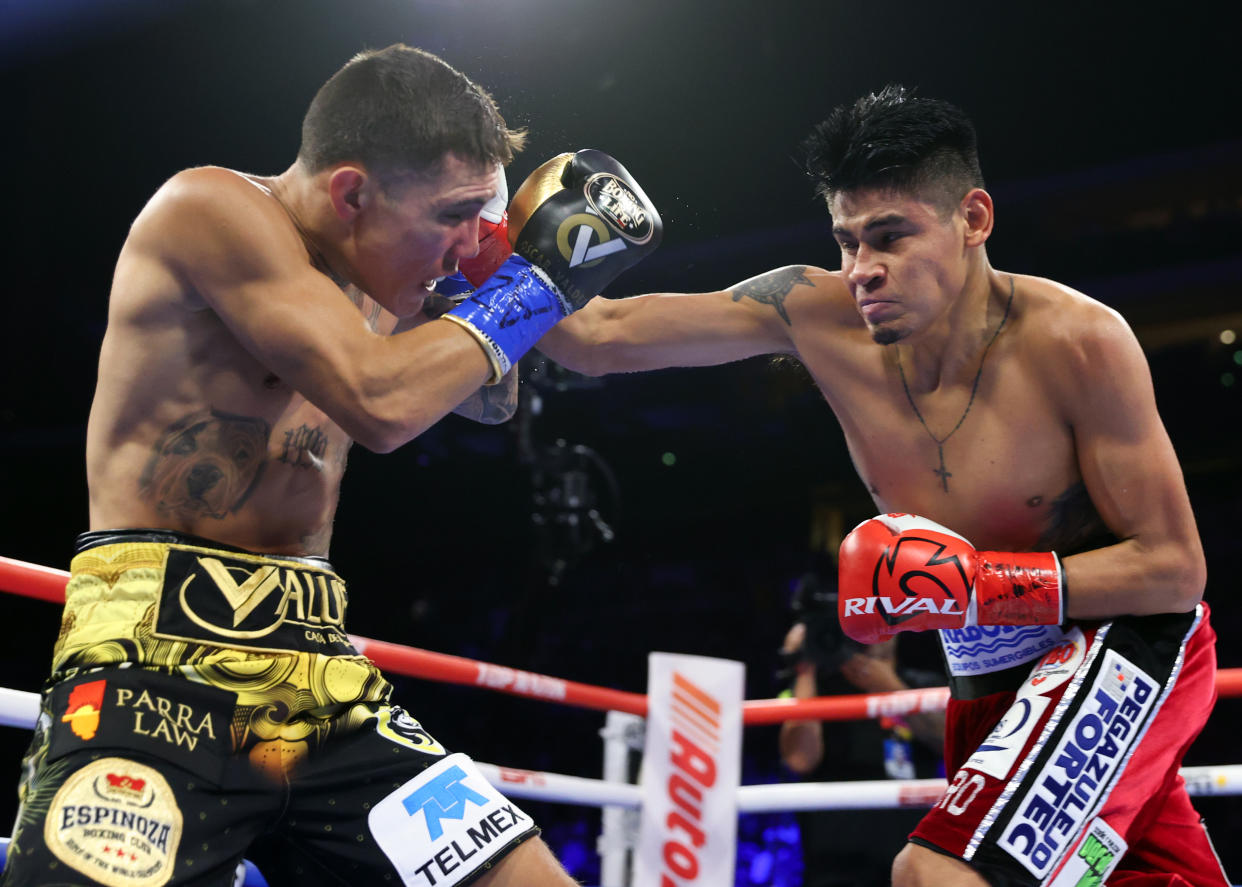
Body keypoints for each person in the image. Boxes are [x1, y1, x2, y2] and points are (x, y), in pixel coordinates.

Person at [2, 44, 660, 886]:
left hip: (322, 672)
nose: (467, 242)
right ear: (353, 191)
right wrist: (535, 280)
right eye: (454, 213)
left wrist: (498, 267)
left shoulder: (387, 279)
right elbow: (381, 405)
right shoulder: (210, 208)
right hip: (150, 664)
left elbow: (488, 400)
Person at [537, 85, 1229, 885]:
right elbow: (598, 339)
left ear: (973, 219)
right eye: (846, 241)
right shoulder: (810, 311)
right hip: (981, 677)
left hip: (1126, 649)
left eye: (891, 237)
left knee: (935, 874)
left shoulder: (1079, 342)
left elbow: (1175, 570)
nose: (862, 269)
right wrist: (488, 254)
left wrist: (977, 585)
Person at [778, 562, 945, 887]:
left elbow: (954, 742)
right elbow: (800, 757)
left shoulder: (924, 684)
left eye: (881, 619)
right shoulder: (816, 692)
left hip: (913, 865)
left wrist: (892, 690)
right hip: (833, 867)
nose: (873, 632)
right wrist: (805, 666)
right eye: (863, 623)